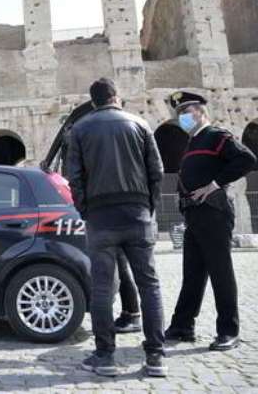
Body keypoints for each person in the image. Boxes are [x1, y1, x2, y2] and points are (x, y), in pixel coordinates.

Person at [66, 78, 166, 377]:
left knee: (101, 287)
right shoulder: (139, 123)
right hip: (137, 213)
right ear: (116, 97)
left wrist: (86, 210)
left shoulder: (80, 129)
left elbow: (75, 178)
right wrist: (148, 207)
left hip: (100, 216)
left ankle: (105, 356)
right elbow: (157, 171)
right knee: (150, 285)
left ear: (94, 101)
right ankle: (156, 357)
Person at [164, 91, 256, 351]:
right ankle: (183, 327)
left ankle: (229, 331)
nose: (182, 117)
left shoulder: (217, 135)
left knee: (221, 273)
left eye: (186, 111)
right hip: (194, 215)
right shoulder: (193, 143)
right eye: (179, 113)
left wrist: (215, 184)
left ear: (201, 111)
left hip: (214, 214)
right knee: (192, 274)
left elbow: (247, 159)